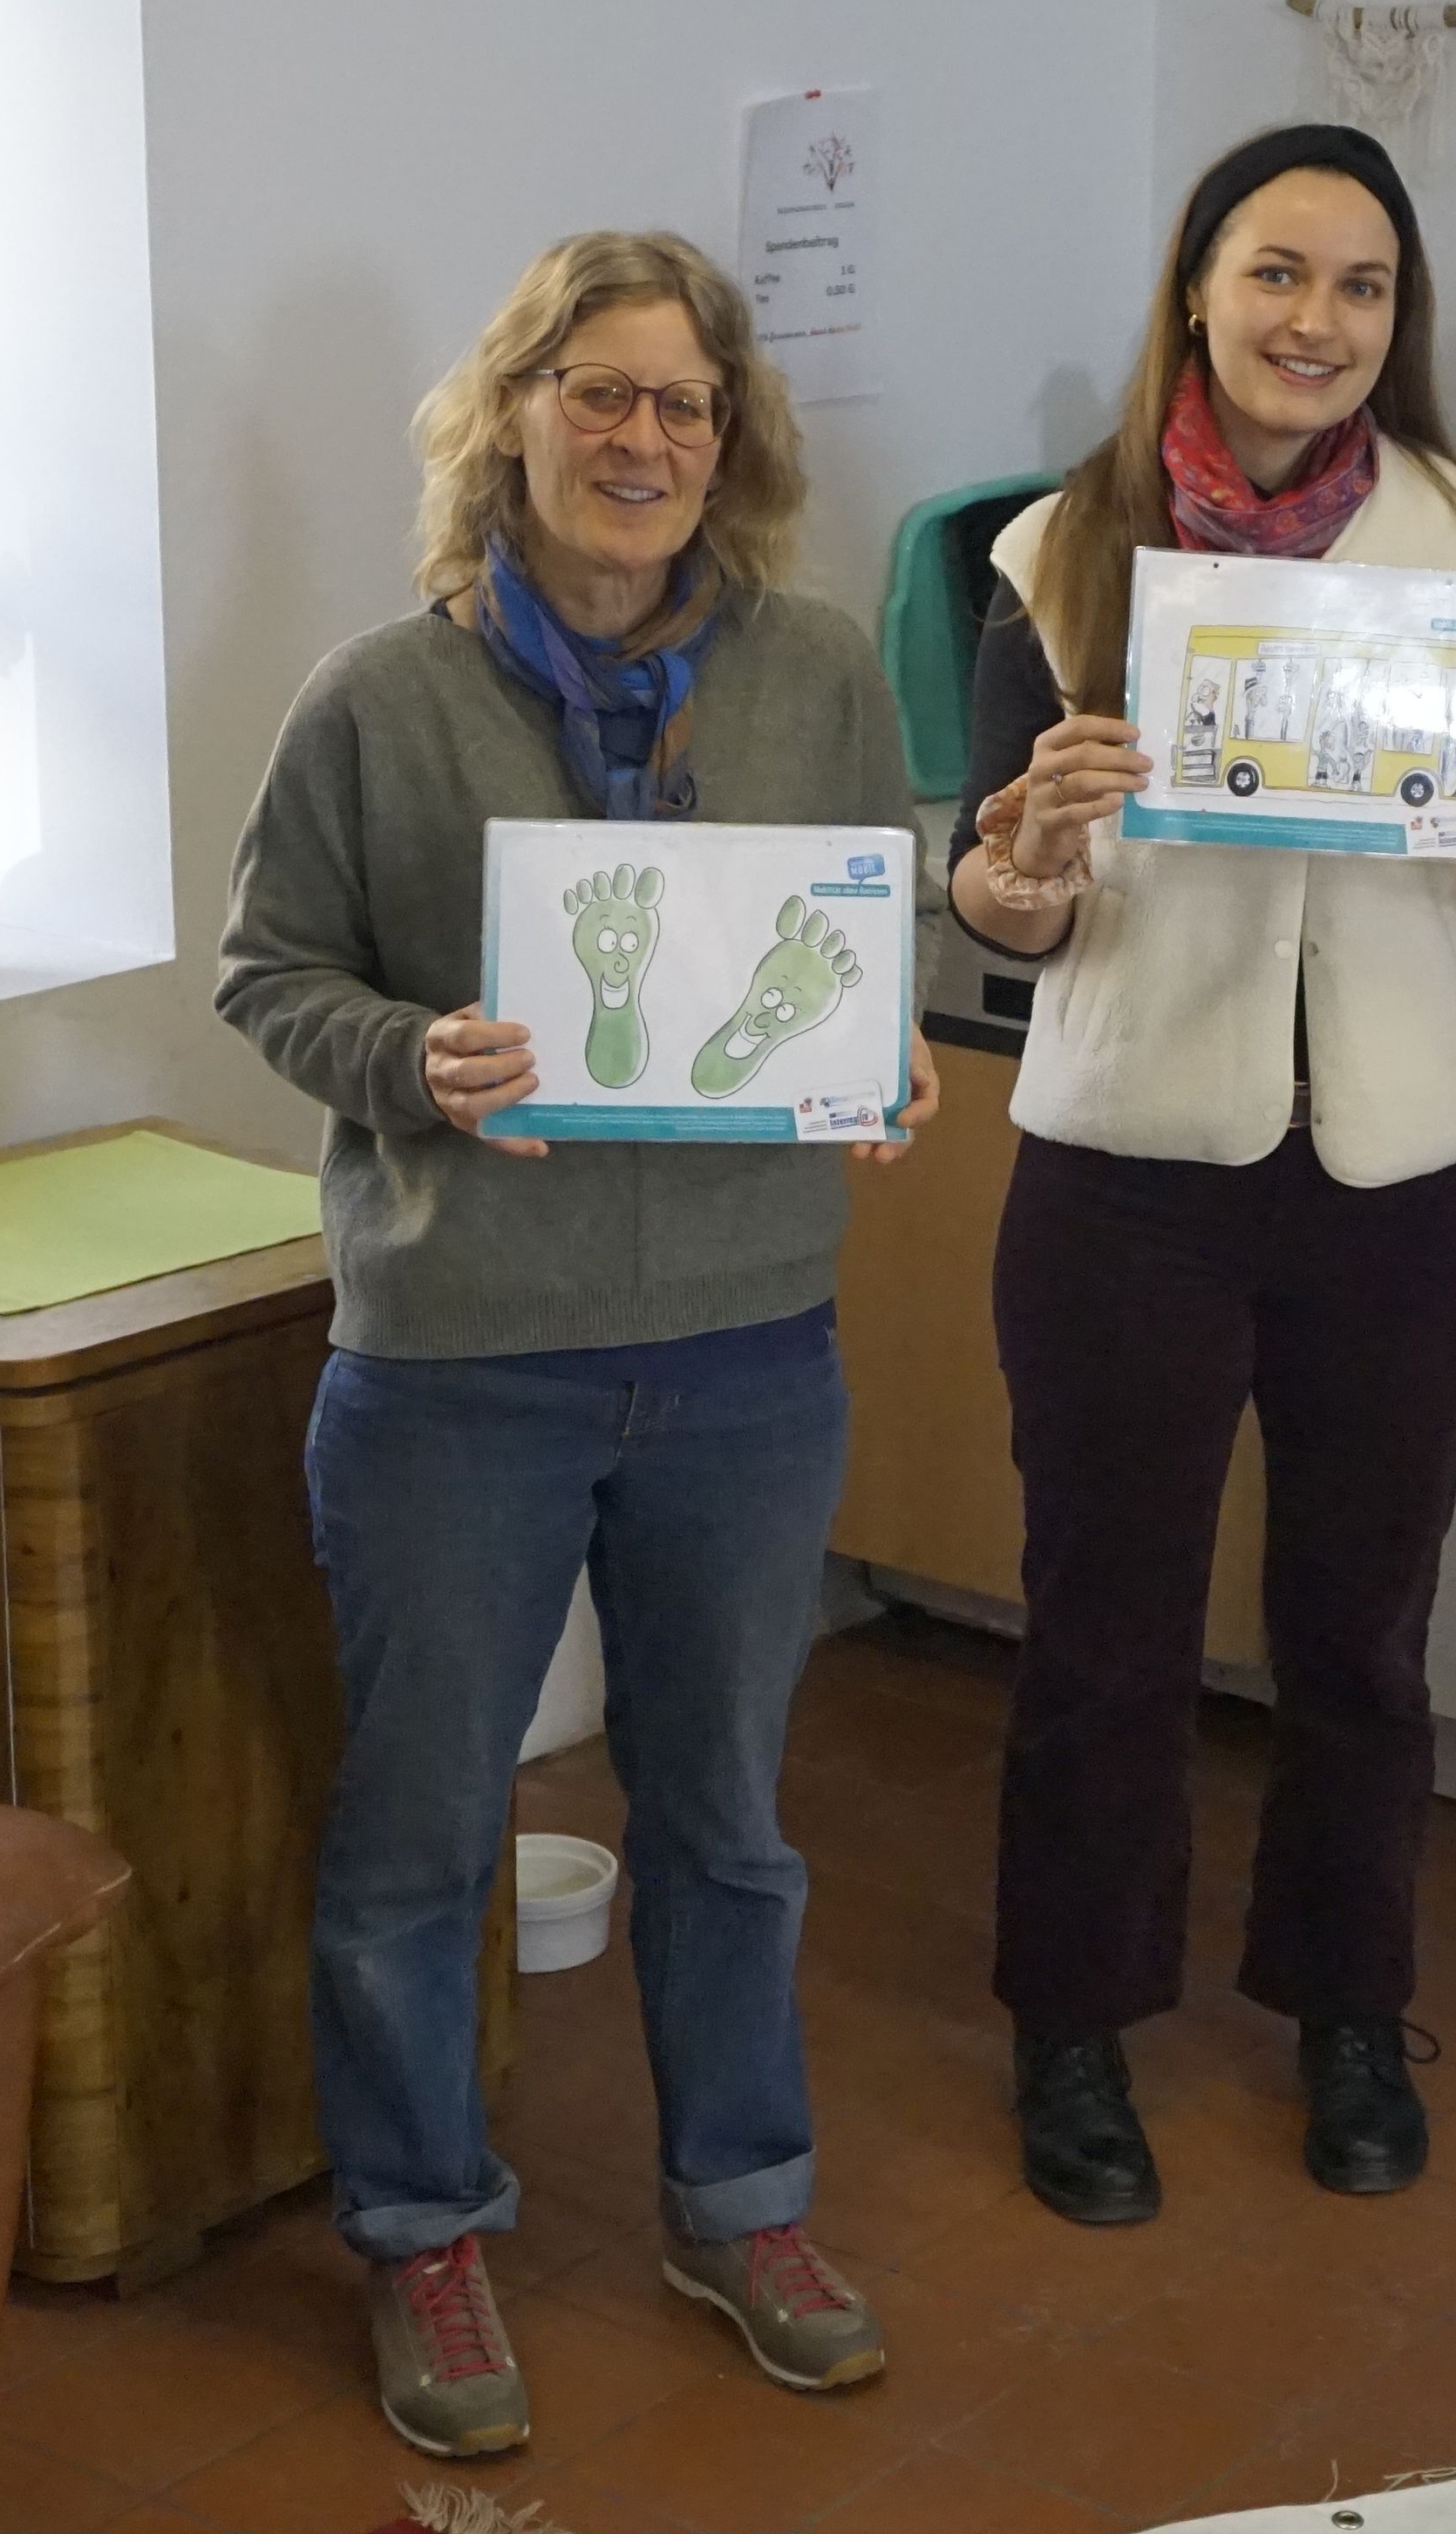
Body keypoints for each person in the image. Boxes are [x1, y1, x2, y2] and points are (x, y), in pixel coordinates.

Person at [216, 230, 941, 2456]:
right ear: (512, 416)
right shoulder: (376, 695)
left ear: (734, 443)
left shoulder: (818, 671)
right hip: (461, 1360)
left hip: (745, 1343)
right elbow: (270, 975)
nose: (642, 439)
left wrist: (884, 1058)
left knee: (727, 1820)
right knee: (421, 1832)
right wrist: (412, 1058)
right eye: (598, 394)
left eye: (685, 405)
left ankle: (743, 2198)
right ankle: (426, 2227)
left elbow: (860, 942)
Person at [949, 125, 1456, 2224]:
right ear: (1199, 289)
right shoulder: (1062, 554)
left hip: (1399, 1176)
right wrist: (1028, 856)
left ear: (1394, 324)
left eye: (1360, 288)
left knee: (1362, 1632)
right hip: (1132, 1168)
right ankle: (1073, 2028)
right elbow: (997, 910)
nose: (1316, 322)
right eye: (1276, 274)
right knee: (1104, 1631)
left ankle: (1345, 2004)